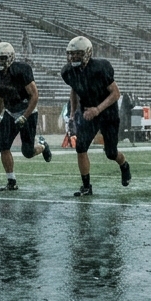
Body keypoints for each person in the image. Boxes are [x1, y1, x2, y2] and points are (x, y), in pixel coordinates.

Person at [62, 36, 131, 196]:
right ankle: (86, 186)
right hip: (87, 112)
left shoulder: (100, 67)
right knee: (81, 147)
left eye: (78, 54)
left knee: (111, 153)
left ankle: (124, 165)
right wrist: (73, 113)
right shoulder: (68, 71)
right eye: (71, 54)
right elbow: (74, 90)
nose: (74, 57)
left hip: (107, 111)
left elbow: (115, 93)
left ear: (87, 53)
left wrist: (97, 110)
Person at [0, 42, 52, 190]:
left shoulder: (21, 70)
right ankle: (11, 181)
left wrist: (25, 116)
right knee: (3, 145)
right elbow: (0, 96)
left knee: (27, 152)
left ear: (10, 57)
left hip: (27, 110)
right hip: (10, 111)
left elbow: (34, 95)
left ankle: (42, 146)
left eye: (2, 58)